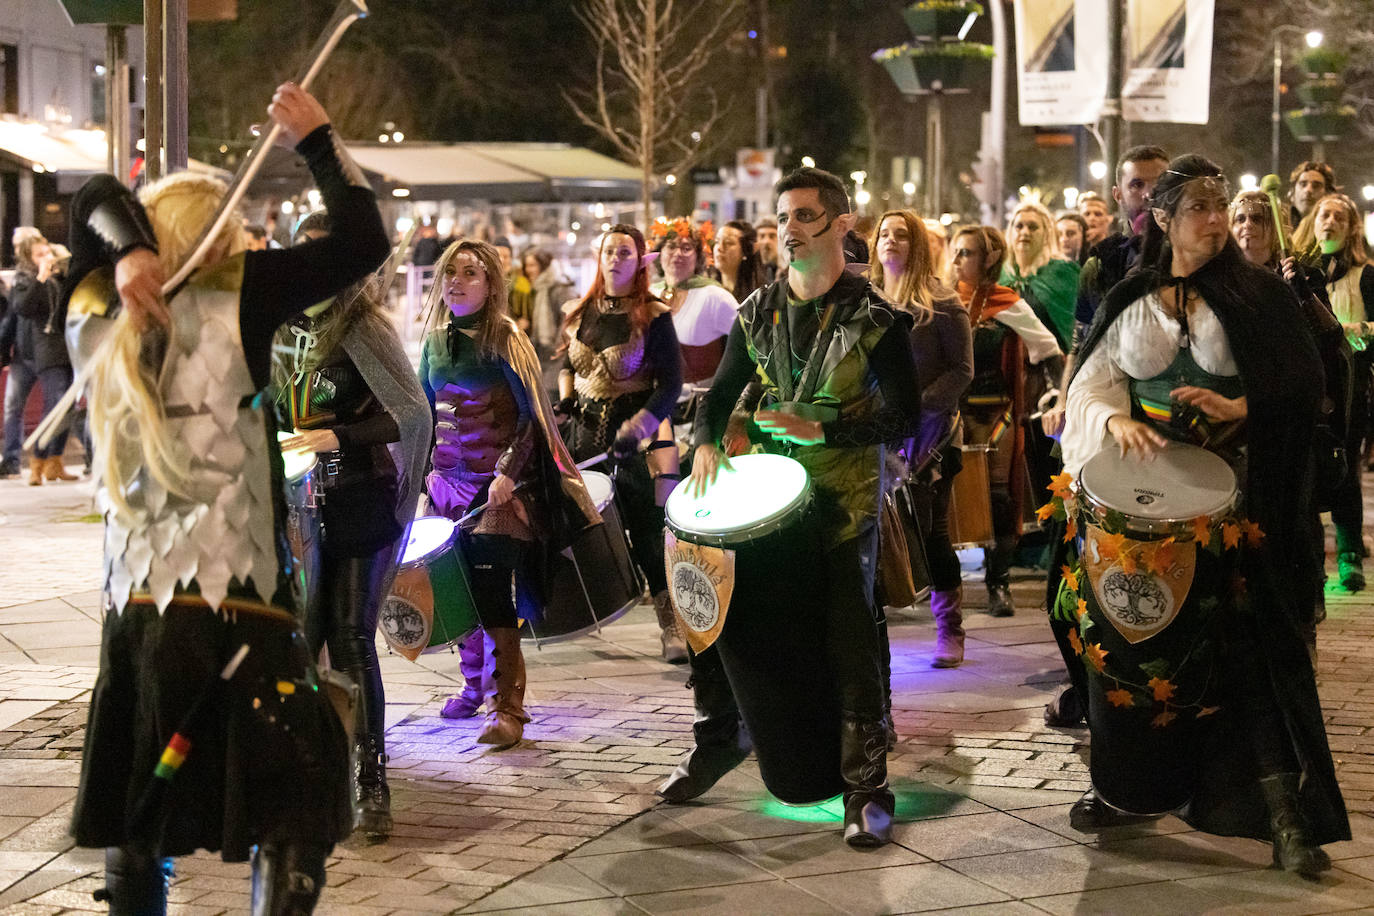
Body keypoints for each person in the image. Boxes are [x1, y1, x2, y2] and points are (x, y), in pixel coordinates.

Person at [63, 83, 387, 914]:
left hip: (141, 612)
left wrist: (127, 248)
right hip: (246, 613)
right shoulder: (238, 295)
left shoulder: (91, 312)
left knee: (144, 804)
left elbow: (92, 199)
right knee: (294, 804)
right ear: (215, 239)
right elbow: (362, 239)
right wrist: (318, 139)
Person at [1059, 154, 1348, 875]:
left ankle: (1284, 818)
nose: (1217, 220)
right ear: (1162, 220)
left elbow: (1310, 385)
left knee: (1251, 657)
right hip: (1149, 513)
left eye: (1222, 206)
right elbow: (1091, 386)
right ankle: (1125, 790)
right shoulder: (1132, 295)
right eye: (1200, 208)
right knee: (1128, 651)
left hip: (1239, 509)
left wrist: (1244, 408)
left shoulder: (1260, 297)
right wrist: (1114, 420)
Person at [681, 167, 923, 847]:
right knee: (744, 622)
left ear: (841, 226)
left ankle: (868, 788)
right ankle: (743, 743)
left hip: (845, 501)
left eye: (806, 216)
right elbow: (721, 391)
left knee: (851, 636)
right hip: (773, 503)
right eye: (784, 217)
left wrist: (832, 432)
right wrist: (706, 443)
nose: (790, 230)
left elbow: (906, 416)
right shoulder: (756, 310)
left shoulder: (877, 317)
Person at [270, 213, 429, 842]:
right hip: (297, 507)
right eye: (306, 254)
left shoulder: (363, 326)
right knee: (302, 639)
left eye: (327, 256)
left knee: (353, 636)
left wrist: (335, 435)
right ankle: (311, 772)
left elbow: (410, 415)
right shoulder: (281, 329)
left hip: (360, 497)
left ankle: (372, 780)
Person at [424, 239, 603, 746]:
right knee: (457, 587)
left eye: (471, 273)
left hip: (500, 492)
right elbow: (422, 410)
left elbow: (533, 416)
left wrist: (506, 472)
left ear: (490, 284)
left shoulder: (505, 337)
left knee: (490, 590)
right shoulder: (433, 340)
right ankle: (473, 684)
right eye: (450, 272)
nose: (458, 281)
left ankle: (509, 708)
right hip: (446, 487)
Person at [557, 226, 685, 662]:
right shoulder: (581, 310)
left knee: (648, 532)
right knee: (584, 524)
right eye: (609, 251)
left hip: (640, 436)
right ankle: (588, 608)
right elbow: (565, 364)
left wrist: (640, 425)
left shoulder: (654, 313)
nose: (615, 258)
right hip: (584, 435)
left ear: (639, 260)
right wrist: (566, 399)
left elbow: (671, 384)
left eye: (624, 252)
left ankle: (673, 625)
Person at [870, 209, 972, 667]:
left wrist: (917, 407)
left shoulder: (941, 302)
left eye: (901, 235)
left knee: (931, 531)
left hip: (930, 436)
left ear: (918, 246)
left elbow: (961, 370)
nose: (890, 241)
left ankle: (950, 629)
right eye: (884, 235)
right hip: (875, 433)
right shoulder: (864, 300)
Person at [951, 225, 1063, 617]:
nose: (957, 260)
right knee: (949, 495)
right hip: (954, 414)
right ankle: (946, 590)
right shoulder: (943, 299)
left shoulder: (1008, 302)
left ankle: (998, 584)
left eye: (966, 253)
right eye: (956, 251)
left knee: (1000, 499)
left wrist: (1054, 396)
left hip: (998, 412)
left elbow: (1049, 350)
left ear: (990, 259)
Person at [1292, 193, 1374, 592]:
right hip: (1309, 384)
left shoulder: (1364, 275)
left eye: (1340, 217)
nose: (1330, 222)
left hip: (1349, 384)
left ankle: (1348, 553)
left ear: (1351, 227)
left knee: (1344, 467)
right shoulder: (1299, 270)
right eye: (1324, 214)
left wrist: (1356, 334)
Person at [1, 231, 76, 485]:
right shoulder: (27, 279)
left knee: (67, 406)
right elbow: (21, 309)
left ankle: (54, 461)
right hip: (38, 351)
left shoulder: (61, 277)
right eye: (39, 255)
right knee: (42, 404)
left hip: (65, 349)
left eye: (47, 252)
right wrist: (42, 278)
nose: (46, 257)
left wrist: (59, 272)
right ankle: (34, 460)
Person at [650, 218, 739, 387]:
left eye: (686, 248)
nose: (678, 253)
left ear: (698, 257)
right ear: (659, 252)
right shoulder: (649, 293)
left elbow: (750, 346)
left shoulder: (715, 297)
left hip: (696, 404)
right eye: (671, 246)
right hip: (652, 404)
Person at [1001, 200, 1079, 351]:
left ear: (1046, 233)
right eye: (1019, 226)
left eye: (1033, 227)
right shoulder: (999, 274)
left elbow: (1073, 331)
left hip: (1050, 366)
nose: (1024, 232)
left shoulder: (1063, 272)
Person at [522, 246, 574, 358]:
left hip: (558, 353)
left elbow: (569, 318)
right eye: (526, 266)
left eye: (532, 265)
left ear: (543, 265)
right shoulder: (538, 289)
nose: (528, 270)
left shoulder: (560, 288)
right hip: (542, 352)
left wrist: (560, 347)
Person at [712, 219, 766, 303]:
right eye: (717, 241)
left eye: (728, 243)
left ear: (745, 251)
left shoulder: (759, 297)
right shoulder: (708, 290)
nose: (719, 248)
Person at [1289, 160, 1336, 229]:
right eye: (1303, 184)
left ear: (1328, 194)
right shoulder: (1277, 228)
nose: (1308, 190)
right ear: (1292, 193)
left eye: (1316, 186)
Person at [754, 216, 782, 284]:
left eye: (772, 236)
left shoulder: (789, 271)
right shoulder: (752, 272)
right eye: (762, 236)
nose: (766, 241)